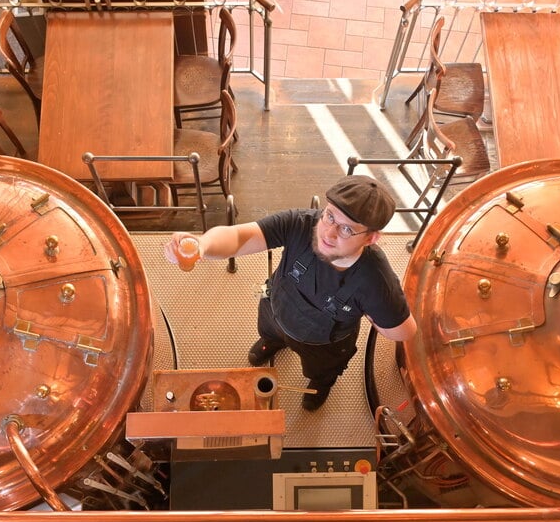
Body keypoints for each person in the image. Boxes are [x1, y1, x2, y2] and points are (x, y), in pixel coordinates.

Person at [163, 175, 417, 411]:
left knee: (320, 372)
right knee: (270, 332)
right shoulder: (300, 224)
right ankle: (272, 343)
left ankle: (319, 387)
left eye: (347, 229)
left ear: (371, 238)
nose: (328, 233)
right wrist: (202, 245)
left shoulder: (376, 278)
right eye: (330, 216)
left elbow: (404, 331)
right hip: (277, 309)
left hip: (324, 344)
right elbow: (239, 236)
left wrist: (377, 312)